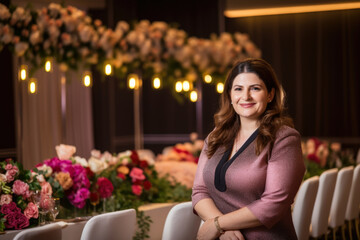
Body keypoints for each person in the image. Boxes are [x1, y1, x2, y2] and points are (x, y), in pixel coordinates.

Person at [192, 58, 305, 240]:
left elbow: (273, 204)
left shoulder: (284, 138)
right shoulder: (216, 135)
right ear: (229, 95)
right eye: (238, 89)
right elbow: (199, 191)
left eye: (255, 88)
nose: (246, 97)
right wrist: (221, 228)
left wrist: (217, 224)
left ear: (270, 95)